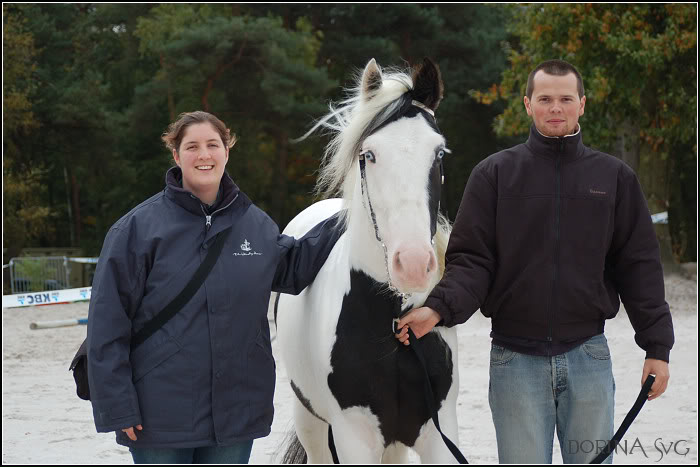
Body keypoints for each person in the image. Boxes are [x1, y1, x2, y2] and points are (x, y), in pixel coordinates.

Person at [395, 60, 674, 464]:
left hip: (589, 356)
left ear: (582, 104)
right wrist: (437, 310)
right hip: (514, 361)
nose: (555, 107)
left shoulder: (615, 178)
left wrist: (657, 347)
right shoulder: (493, 175)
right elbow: (472, 261)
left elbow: (640, 269)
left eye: (564, 99)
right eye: (545, 99)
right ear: (528, 104)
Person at [86, 111, 342, 464]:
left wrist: (352, 214)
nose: (204, 155)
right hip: (158, 416)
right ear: (176, 155)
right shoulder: (136, 231)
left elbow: (294, 267)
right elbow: (107, 325)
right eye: (192, 146)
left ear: (227, 151)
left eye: (212, 145)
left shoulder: (255, 224)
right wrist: (117, 406)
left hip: (235, 414)